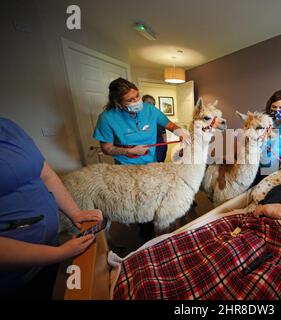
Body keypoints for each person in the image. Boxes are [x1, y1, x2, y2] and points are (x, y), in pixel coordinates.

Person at [0, 118, 103, 299]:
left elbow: (46, 174)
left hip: (47, 250)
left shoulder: (8, 127)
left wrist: (75, 212)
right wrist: (60, 253)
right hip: (12, 273)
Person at [94, 78, 190, 165]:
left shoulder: (151, 110)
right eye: (130, 100)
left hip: (151, 163)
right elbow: (107, 148)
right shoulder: (106, 118)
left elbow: (171, 126)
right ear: (118, 103)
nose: (137, 101)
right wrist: (130, 151)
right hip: (125, 166)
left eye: (137, 96)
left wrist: (181, 133)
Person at [142, 94, 167, 162]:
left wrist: (165, 146)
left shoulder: (158, 117)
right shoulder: (139, 119)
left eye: (153, 104)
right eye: (148, 103)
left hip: (160, 148)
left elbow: (164, 133)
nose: (151, 106)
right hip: (147, 149)